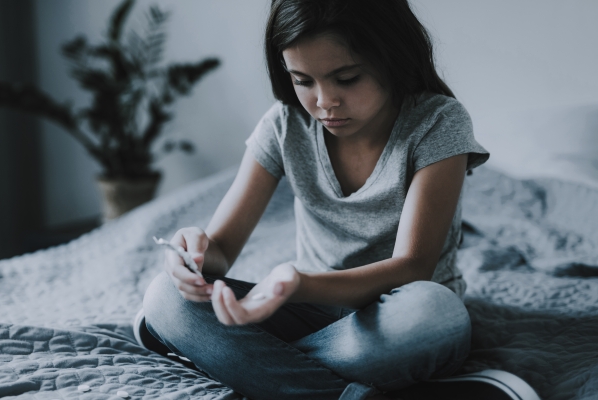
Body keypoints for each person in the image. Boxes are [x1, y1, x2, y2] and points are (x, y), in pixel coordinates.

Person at [136, 1, 540, 399]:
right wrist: (193, 256)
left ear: (393, 60)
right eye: (302, 80)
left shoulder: (438, 121)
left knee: (437, 315)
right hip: (310, 313)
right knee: (164, 297)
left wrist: (294, 286)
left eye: (346, 78)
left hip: (396, 314)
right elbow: (221, 249)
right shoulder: (283, 124)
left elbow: (413, 267)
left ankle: (238, 361)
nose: (324, 102)